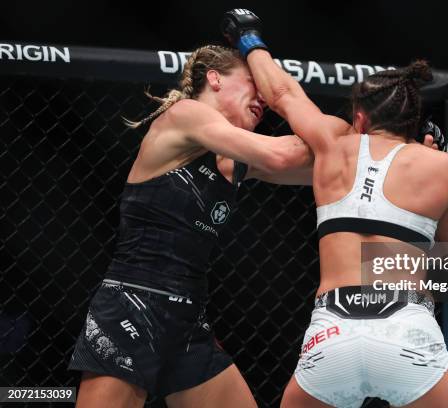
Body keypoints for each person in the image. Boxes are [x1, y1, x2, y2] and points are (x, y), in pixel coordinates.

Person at [221, 9, 448, 408]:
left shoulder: (332, 145)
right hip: (405, 331)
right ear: (413, 122)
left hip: (332, 332)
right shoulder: (439, 165)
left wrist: (249, 38)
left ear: (358, 117)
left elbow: (283, 94)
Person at [68, 44, 316, 408]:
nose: (262, 97)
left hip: (188, 323)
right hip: (132, 309)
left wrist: (400, 150)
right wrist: (286, 98)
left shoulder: (233, 162)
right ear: (214, 79)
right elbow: (283, 153)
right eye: (253, 84)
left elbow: (331, 164)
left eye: (266, 92)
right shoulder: (184, 116)